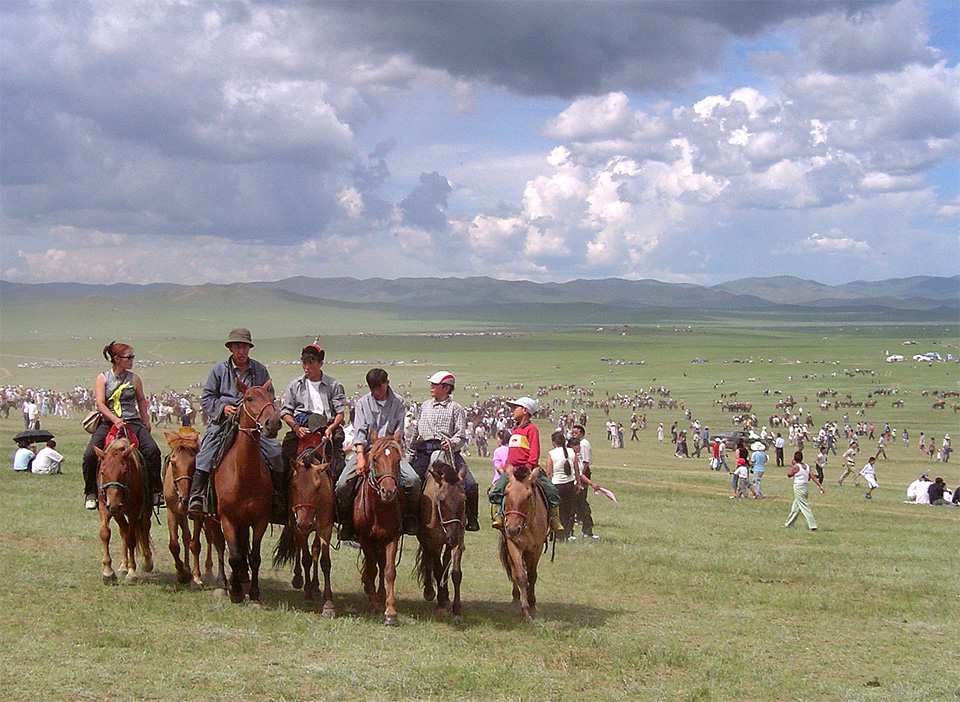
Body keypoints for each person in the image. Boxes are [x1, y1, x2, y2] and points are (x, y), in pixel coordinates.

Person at [187, 328, 282, 517]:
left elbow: (269, 396)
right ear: (231, 348)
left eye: (245, 347)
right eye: (238, 347)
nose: (242, 351)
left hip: (253, 425)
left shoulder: (260, 370)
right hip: (225, 422)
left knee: (275, 452)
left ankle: (278, 498)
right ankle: (197, 496)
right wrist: (223, 408)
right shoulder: (220, 370)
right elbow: (207, 397)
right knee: (207, 451)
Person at [335, 368, 421, 539]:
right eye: (372, 388)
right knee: (342, 485)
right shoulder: (362, 403)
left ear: (387, 383)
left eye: (379, 388)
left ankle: (410, 516)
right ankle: (346, 521)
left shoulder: (398, 402)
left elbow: (398, 433)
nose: (376, 392)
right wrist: (360, 458)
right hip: (367, 450)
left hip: (390, 450)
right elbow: (360, 433)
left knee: (413, 479)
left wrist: (390, 444)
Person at [81, 341, 162, 510]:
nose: (132, 360)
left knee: (153, 451)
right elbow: (100, 404)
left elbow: (140, 399)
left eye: (132, 356)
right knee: (89, 455)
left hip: (133, 421)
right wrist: (115, 419)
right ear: (117, 359)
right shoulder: (102, 378)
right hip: (108, 422)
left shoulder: (135, 378)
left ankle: (155, 491)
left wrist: (145, 421)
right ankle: (90, 493)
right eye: (129, 357)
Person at [405, 371, 480, 531]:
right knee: (412, 482)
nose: (431, 387)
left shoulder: (456, 408)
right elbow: (417, 431)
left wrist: (451, 443)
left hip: (446, 451)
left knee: (471, 484)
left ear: (446, 388)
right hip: (424, 451)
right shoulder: (424, 405)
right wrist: (410, 455)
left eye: (435, 385)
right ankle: (410, 518)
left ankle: (472, 519)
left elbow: (461, 434)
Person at [279, 343, 346, 519]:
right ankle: (282, 505)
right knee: (282, 465)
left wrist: (331, 428)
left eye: (311, 363)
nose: (307, 367)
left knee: (339, 469)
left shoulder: (333, 385)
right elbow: (285, 411)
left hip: (326, 429)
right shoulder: (295, 385)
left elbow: (340, 413)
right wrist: (295, 427)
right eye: (304, 363)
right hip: (301, 429)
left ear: (320, 363)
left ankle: (340, 513)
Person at [489, 396, 563, 532]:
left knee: (552, 491)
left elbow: (534, 453)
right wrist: (507, 469)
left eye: (515, 408)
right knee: (497, 490)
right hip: (512, 471)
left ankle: (553, 518)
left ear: (525, 410)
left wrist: (528, 468)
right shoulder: (515, 430)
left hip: (528, 470)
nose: (512, 411)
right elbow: (512, 454)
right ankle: (499, 515)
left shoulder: (532, 429)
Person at [546, 432, 580, 540]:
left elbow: (548, 473)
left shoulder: (551, 454)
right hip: (569, 484)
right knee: (567, 511)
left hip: (556, 485)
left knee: (555, 511)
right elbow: (576, 469)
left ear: (554, 442)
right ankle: (566, 533)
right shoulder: (571, 452)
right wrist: (578, 483)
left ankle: (555, 533)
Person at [570, 424, 599, 540]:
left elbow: (585, 462)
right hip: (577, 475)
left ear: (582, 433)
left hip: (582, 474)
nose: (574, 434)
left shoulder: (584, 445)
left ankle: (585, 528)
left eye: (576, 433)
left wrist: (580, 477)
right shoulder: (575, 445)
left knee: (581, 501)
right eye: (573, 432)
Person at [783, 450, 823, 531]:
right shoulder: (807, 466)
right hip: (805, 487)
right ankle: (788, 524)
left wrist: (792, 465)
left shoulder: (796, 467)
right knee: (796, 507)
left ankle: (812, 525)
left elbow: (789, 474)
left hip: (798, 487)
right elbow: (812, 476)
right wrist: (820, 485)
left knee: (804, 507)